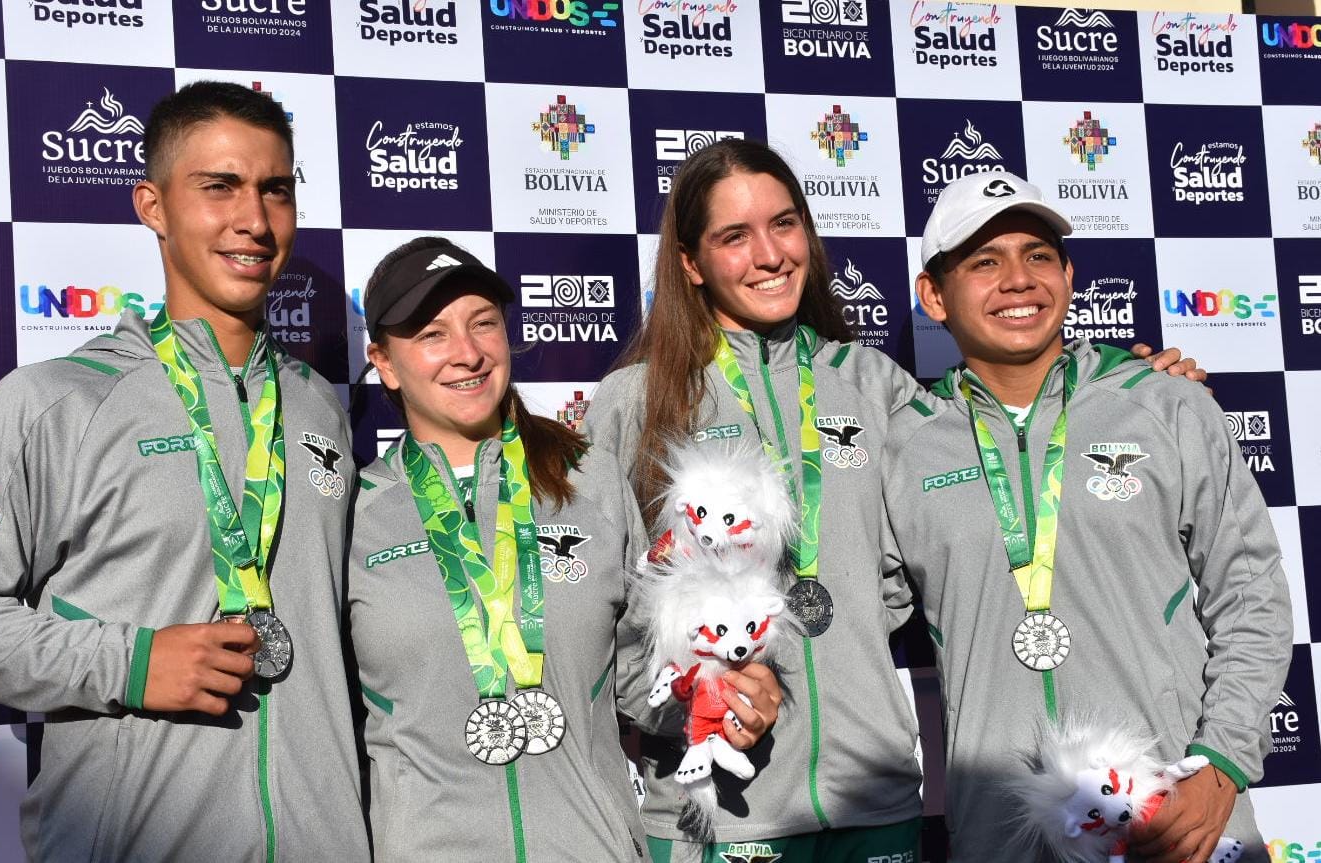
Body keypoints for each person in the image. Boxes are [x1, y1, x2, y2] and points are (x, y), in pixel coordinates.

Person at [583, 138, 1202, 862]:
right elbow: (598, 617)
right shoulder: (635, 402)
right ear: (690, 262)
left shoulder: (873, 382)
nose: (768, 253)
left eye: (783, 224)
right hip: (718, 814)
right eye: (733, 237)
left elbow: (1010, 443)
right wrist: (690, 698)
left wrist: (1125, 385)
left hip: (872, 798)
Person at [0, 82, 368, 861]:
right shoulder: (56, 399)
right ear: (153, 206)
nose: (254, 219)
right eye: (219, 187)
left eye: (275, 189)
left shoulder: (318, 408)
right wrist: (132, 661)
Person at [879, 170, 1290, 863]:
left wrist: (1219, 765)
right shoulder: (901, 442)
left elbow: (1252, 595)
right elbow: (844, 623)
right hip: (1001, 836)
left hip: (1176, 819)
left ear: (1068, 277)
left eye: (1037, 255)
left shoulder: (1165, 404)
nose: (1017, 279)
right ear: (933, 295)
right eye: (983, 260)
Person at [345, 237, 782, 862]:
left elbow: (639, 674)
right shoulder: (358, 513)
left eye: (483, 323)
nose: (467, 353)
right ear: (384, 362)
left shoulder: (589, 479)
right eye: (432, 334)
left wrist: (716, 690)